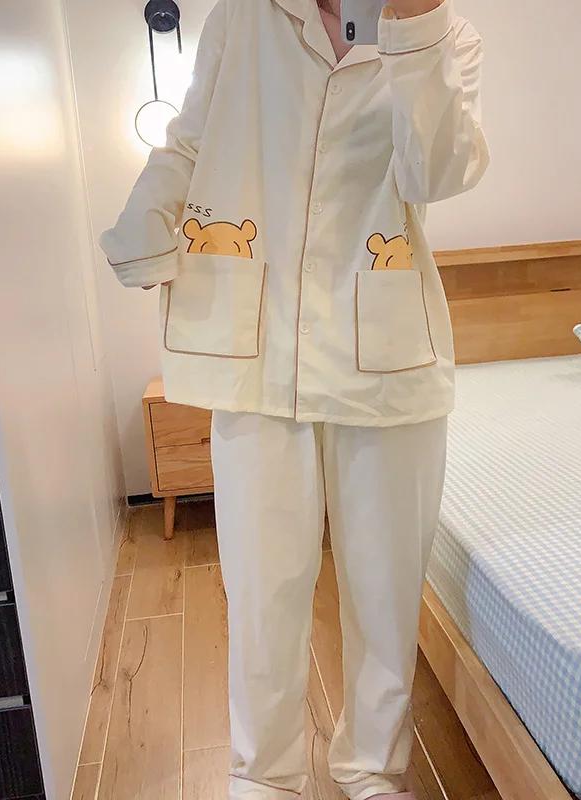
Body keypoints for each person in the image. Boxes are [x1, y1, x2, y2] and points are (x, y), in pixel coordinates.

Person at [100, 1, 488, 798]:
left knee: (385, 587)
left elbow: (437, 174)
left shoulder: (445, 34)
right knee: (262, 585)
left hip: (387, 354)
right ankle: (265, 774)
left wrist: (415, 29)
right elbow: (191, 137)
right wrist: (143, 232)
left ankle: (372, 766)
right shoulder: (244, 17)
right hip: (259, 349)